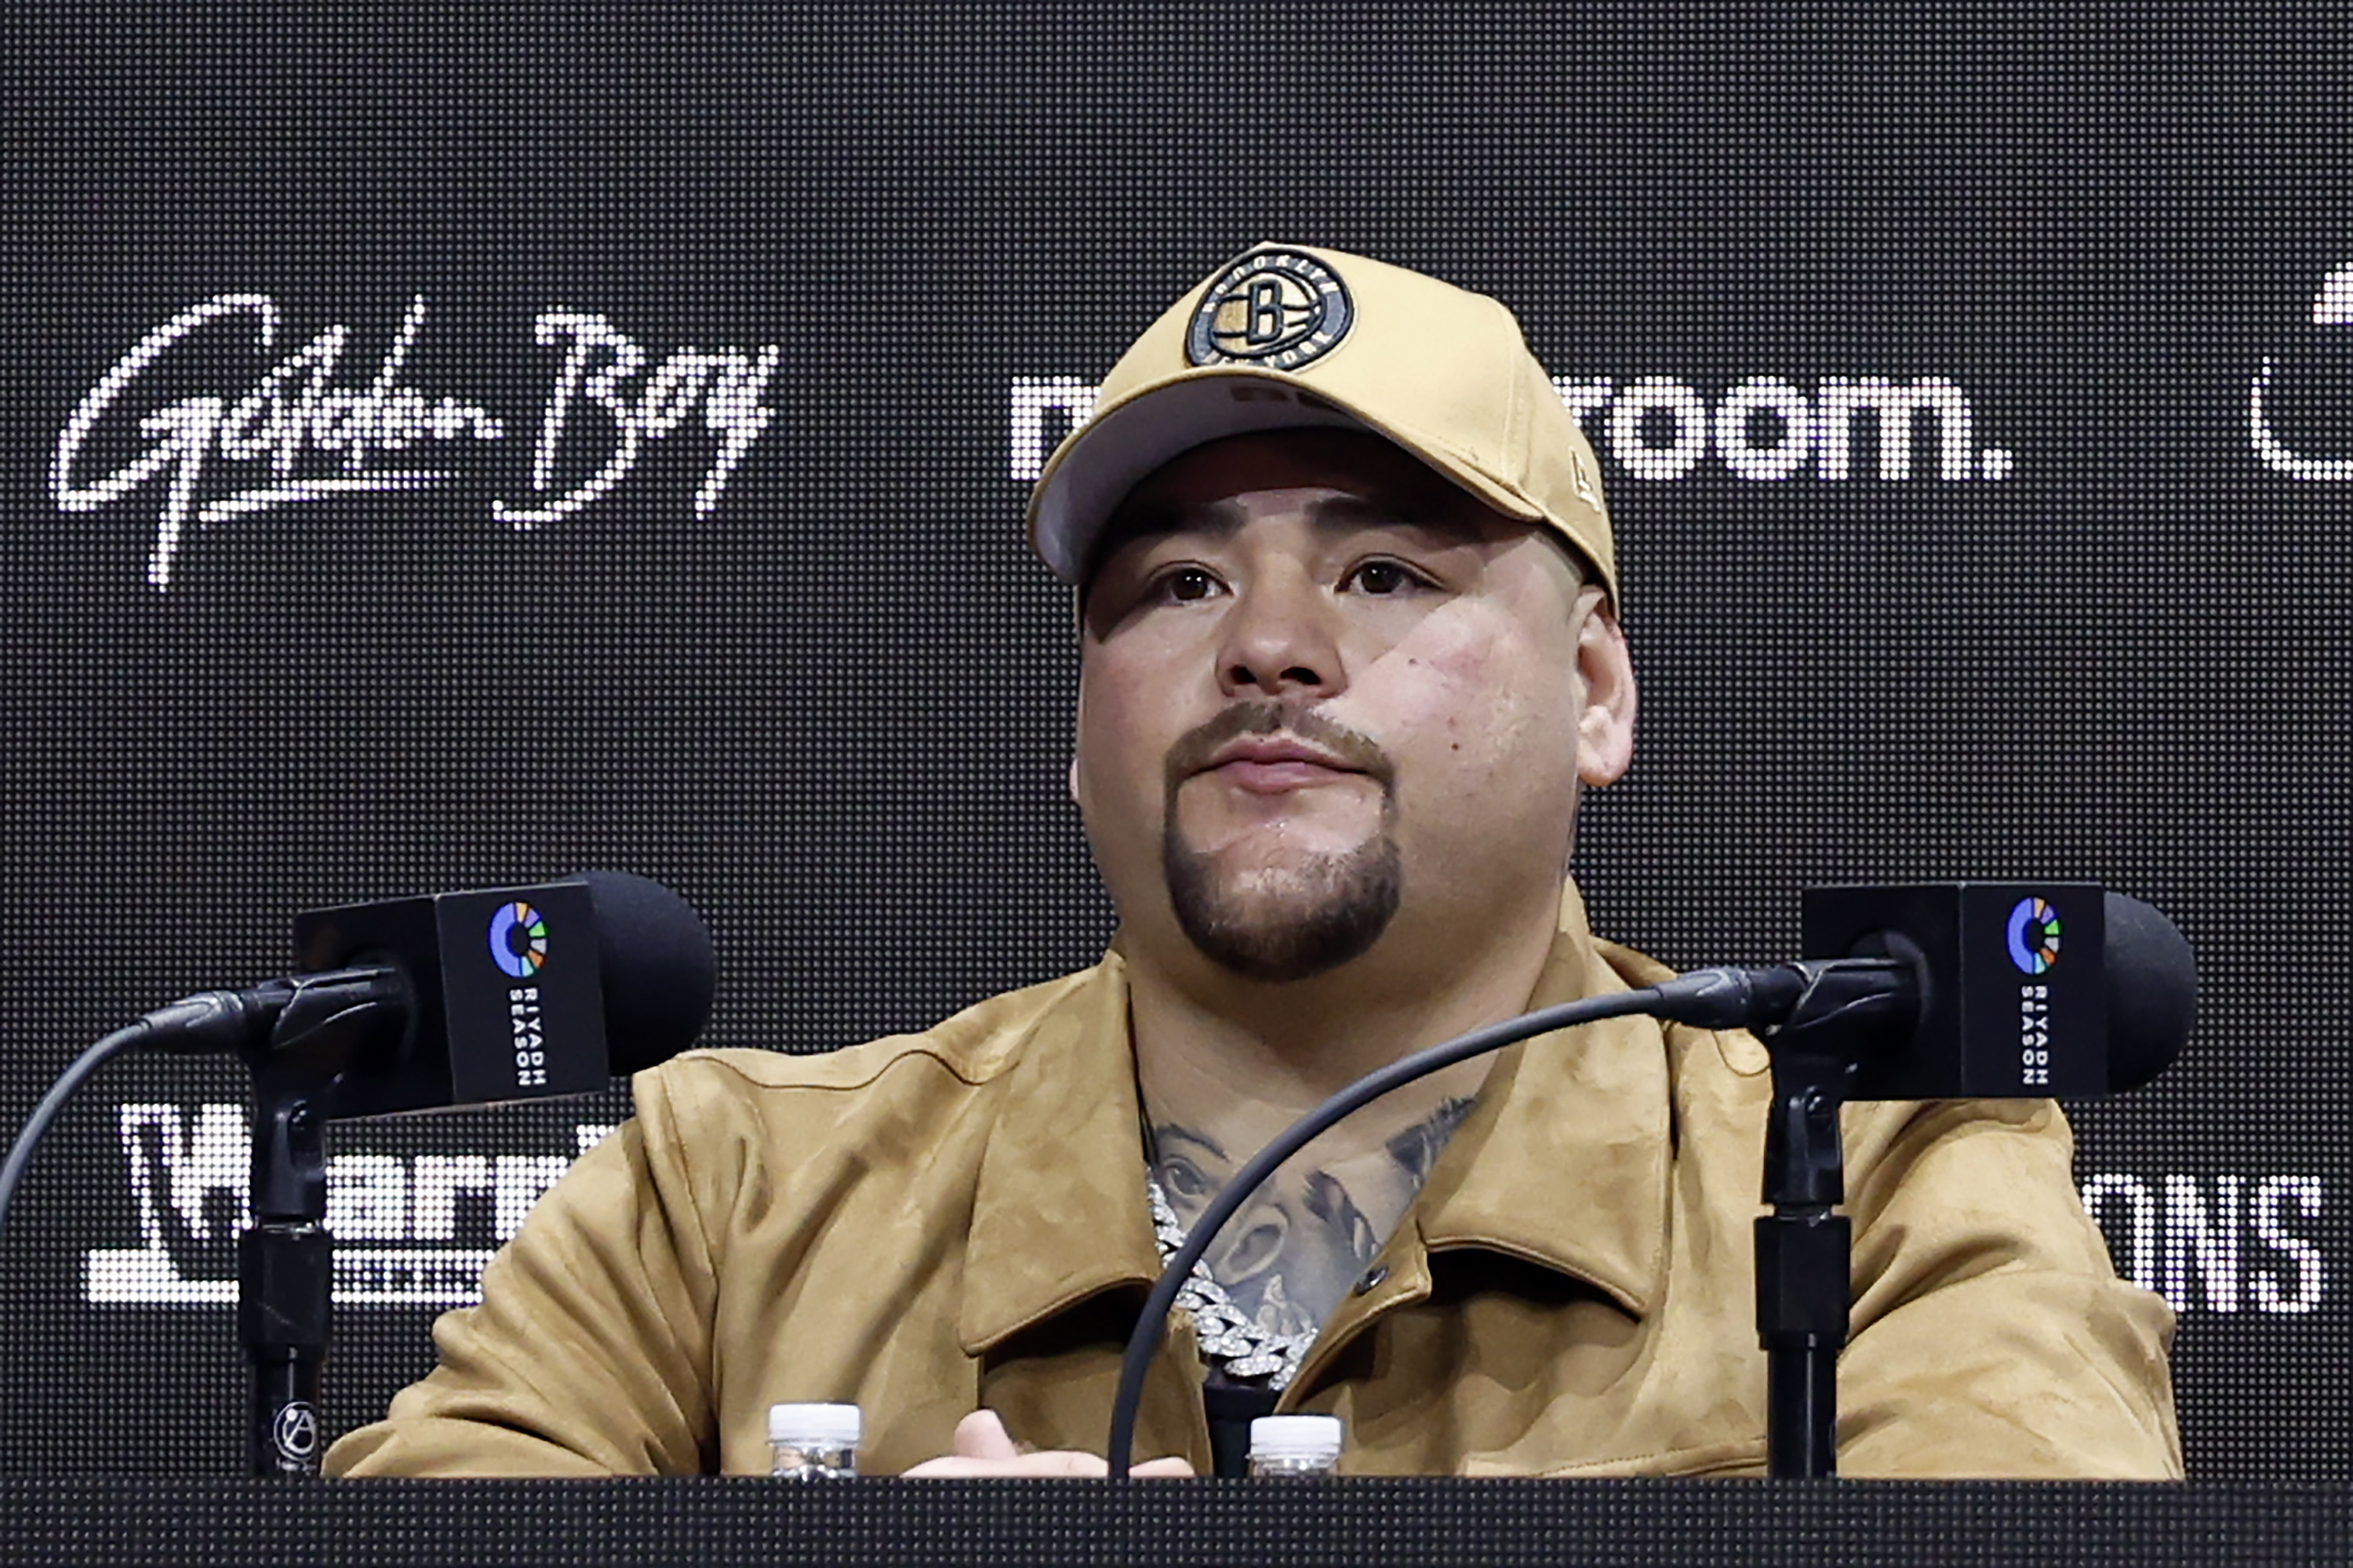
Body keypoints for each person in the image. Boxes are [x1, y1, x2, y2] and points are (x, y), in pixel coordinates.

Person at [325, 243, 2183, 1480]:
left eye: (1386, 572)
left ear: (1598, 688)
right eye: (1178, 584)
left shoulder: (1882, 1181)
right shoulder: (728, 1191)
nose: (1266, 645)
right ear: (1081, 730)